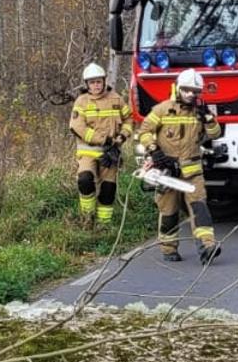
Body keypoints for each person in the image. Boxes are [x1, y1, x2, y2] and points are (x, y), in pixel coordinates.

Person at [137, 68, 220, 263]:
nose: (191, 94)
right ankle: (168, 249)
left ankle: (207, 246)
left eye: (195, 91)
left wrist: (207, 117)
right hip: (167, 171)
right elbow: (145, 131)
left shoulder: (202, 112)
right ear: (178, 88)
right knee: (169, 211)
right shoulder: (162, 109)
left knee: (200, 207)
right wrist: (154, 150)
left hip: (192, 171)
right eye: (187, 90)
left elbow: (215, 134)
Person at [70, 63, 129, 226]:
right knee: (85, 180)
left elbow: (129, 119)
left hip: (109, 153)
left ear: (104, 81)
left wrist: (123, 136)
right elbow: (77, 127)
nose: (96, 85)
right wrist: (103, 139)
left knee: (108, 188)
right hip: (88, 151)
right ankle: (87, 217)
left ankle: (104, 224)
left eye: (98, 82)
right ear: (86, 84)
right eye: (92, 82)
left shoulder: (116, 99)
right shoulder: (81, 102)